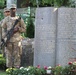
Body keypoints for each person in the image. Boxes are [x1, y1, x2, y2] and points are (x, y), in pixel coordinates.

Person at [2, 4, 26, 68]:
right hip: (8, 40)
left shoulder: (19, 19)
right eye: (11, 9)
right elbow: (3, 29)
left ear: (16, 9)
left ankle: (16, 69)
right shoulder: (6, 19)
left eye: (14, 9)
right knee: (8, 56)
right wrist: (4, 38)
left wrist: (18, 29)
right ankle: (9, 70)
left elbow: (24, 29)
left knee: (17, 55)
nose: (12, 10)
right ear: (9, 10)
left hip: (17, 41)